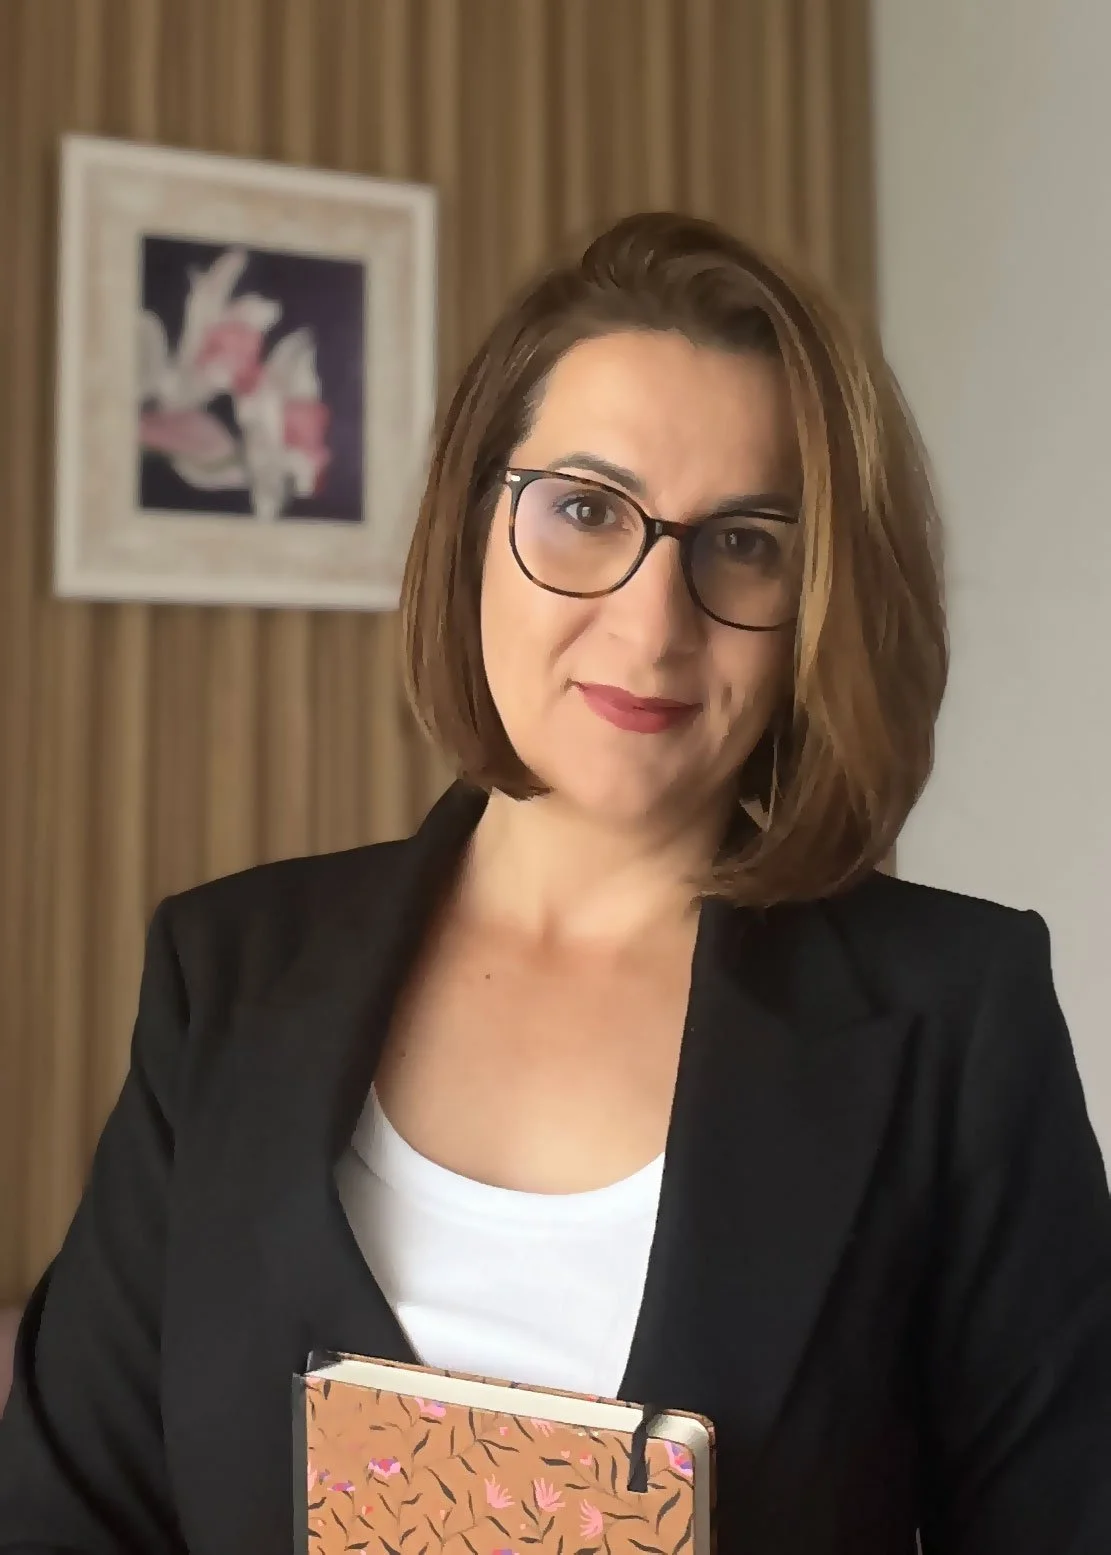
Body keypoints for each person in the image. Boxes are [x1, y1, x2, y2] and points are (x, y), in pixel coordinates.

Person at [0, 212, 1108, 1555]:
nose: (651, 625)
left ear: (819, 599)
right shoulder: (225, 969)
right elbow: (67, 1512)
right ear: (474, 522)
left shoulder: (955, 1015)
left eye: (745, 541)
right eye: (585, 510)